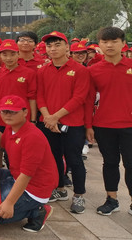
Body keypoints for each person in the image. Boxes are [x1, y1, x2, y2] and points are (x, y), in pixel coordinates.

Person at [36, 31, 90, 214]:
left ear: (67, 47)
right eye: (49, 45)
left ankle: (79, 194)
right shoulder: (43, 71)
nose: (53, 49)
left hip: (72, 123)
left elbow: (79, 98)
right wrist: (48, 117)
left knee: (74, 159)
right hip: (48, 123)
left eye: (57, 45)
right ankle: (59, 189)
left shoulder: (80, 70)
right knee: (53, 158)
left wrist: (55, 116)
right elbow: (40, 96)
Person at [0, 95, 58, 232]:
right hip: (15, 175)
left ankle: (37, 210)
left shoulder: (32, 137)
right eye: (4, 111)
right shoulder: (11, 128)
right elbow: (2, 142)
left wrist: (9, 203)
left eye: (13, 112)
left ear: (25, 112)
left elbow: (26, 175)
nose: (7, 115)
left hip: (33, 188)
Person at [87, 26, 132, 216]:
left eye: (114, 41)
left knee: (131, 164)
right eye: (105, 42)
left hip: (129, 125)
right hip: (103, 124)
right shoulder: (93, 70)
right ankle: (111, 199)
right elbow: (89, 100)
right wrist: (88, 126)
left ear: (123, 43)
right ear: (99, 44)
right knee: (110, 162)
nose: (109, 45)